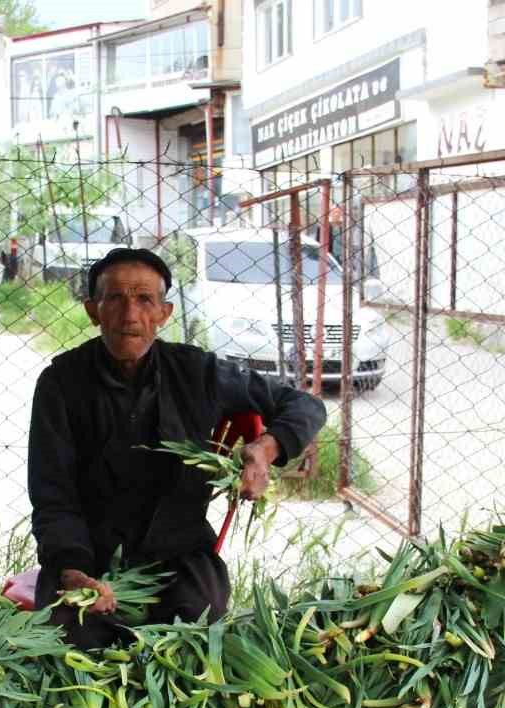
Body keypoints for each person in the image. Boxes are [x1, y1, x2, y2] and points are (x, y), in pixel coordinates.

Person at [27, 247, 326, 649]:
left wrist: (266, 448)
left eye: (144, 299)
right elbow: (53, 496)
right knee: (75, 632)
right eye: (115, 298)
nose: (130, 315)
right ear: (93, 310)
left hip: (179, 551)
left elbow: (304, 405)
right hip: (87, 552)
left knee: (197, 629)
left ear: (164, 314)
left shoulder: (198, 372)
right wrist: (72, 570)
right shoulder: (61, 383)